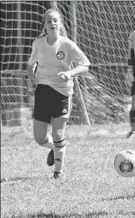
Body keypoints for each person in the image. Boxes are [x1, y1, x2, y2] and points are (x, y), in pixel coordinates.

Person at [27, 8, 90, 179]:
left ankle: (58, 172)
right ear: (44, 25)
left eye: (55, 20)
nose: (53, 23)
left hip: (62, 93)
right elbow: (30, 64)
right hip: (42, 92)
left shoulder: (67, 45)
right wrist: (32, 76)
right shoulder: (38, 44)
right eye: (49, 21)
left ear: (60, 23)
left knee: (57, 133)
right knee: (39, 138)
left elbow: (85, 64)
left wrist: (69, 73)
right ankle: (55, 149)